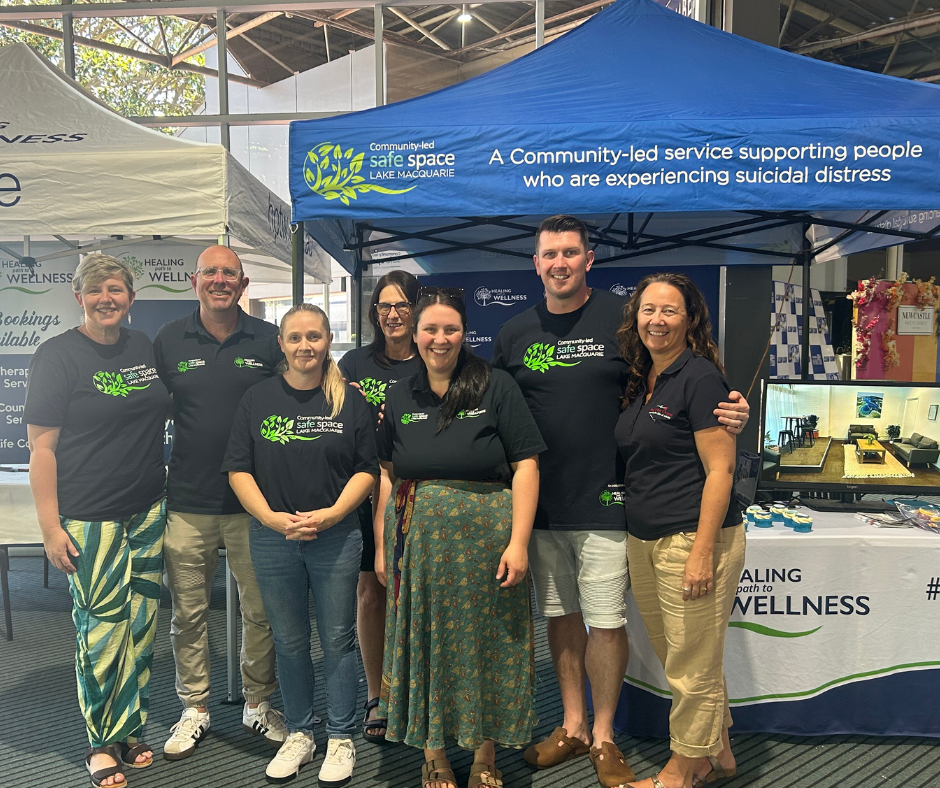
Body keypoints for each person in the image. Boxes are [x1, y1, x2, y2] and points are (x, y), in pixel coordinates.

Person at [491, 215, 749, 788]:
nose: (559, 262)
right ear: (535, 264)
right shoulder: (512, 334)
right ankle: (575, 724)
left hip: (613, 507)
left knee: (608, 623)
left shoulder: (625, 323)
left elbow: (684, 387)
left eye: (570, 252)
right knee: (561, 618)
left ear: (589, 259)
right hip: (542, 511)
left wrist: (732, 411)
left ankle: (605, 735)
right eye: (548, 253)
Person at [373, 288, 546, 788]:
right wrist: (384, 544)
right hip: (420, 541)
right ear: (415, 332)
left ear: (464, 333)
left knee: (486, 642)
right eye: (430, 329)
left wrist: (518, 542)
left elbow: (527, 465)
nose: (439, 338)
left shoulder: (496, 386)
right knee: (428, 642)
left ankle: (485, 753)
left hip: (488, 539)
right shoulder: (400, 392)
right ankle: (435, 754)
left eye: (450, 329)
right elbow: (386, 471)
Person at [26, 253, 169, 788]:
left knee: (140, 624)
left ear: (131, 297)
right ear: (78, 296)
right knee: (101, 629)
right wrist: (49, 527)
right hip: (89, 515)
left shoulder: (142, 348)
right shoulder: (57, 356)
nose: (107, 299)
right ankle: (100, 741)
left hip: (147, 507)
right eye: (96, 291)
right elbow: (42, 450)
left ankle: (130, 726)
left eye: (116, 290)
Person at [223, 303, 378, 786]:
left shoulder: (349, 400)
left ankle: (341, 736)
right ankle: (300, 732)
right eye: (295, 338)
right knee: (289, 641)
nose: (305, 346)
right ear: (282, 344)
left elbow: (367, 470)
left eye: (314, 336)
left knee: (337, 639)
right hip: (274, 539)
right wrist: (271, 519)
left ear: (329, 340)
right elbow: (238, 469)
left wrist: (333, 514)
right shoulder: (257, 397)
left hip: (336, 536)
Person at [153, 245, 287, 760]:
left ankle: (257, 703)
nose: (219, 280)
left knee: (262, 610)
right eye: (210, 272)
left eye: (229, 273)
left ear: (244, 282)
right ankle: (195, 708)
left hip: (255, 503)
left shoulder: (268, 339)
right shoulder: (169, 340)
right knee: (188, 612)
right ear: (194, 280)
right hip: (188, 498)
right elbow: (146, 408)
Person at [616, 273, 745, 788]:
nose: (657, 320)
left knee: (691, 663)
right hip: (645, 539)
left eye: (669, 310)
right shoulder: (644, 376)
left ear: (690, 320)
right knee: (684, 657)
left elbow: (721, 470)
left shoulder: (700, 378)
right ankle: (719, 751)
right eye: (648, 310)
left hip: (692, 538)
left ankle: (682, 769)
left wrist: (702, 552)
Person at [337, 270, 422, 744]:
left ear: (416, 309)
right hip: (365, 489)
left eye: (402, 306)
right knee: (371, 590)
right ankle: (376, 695)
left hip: (418, 492)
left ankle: (417, 692)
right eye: (384, 307)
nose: (392, 315)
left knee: (418, 594)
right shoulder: (354, 362)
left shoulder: (430, 357)